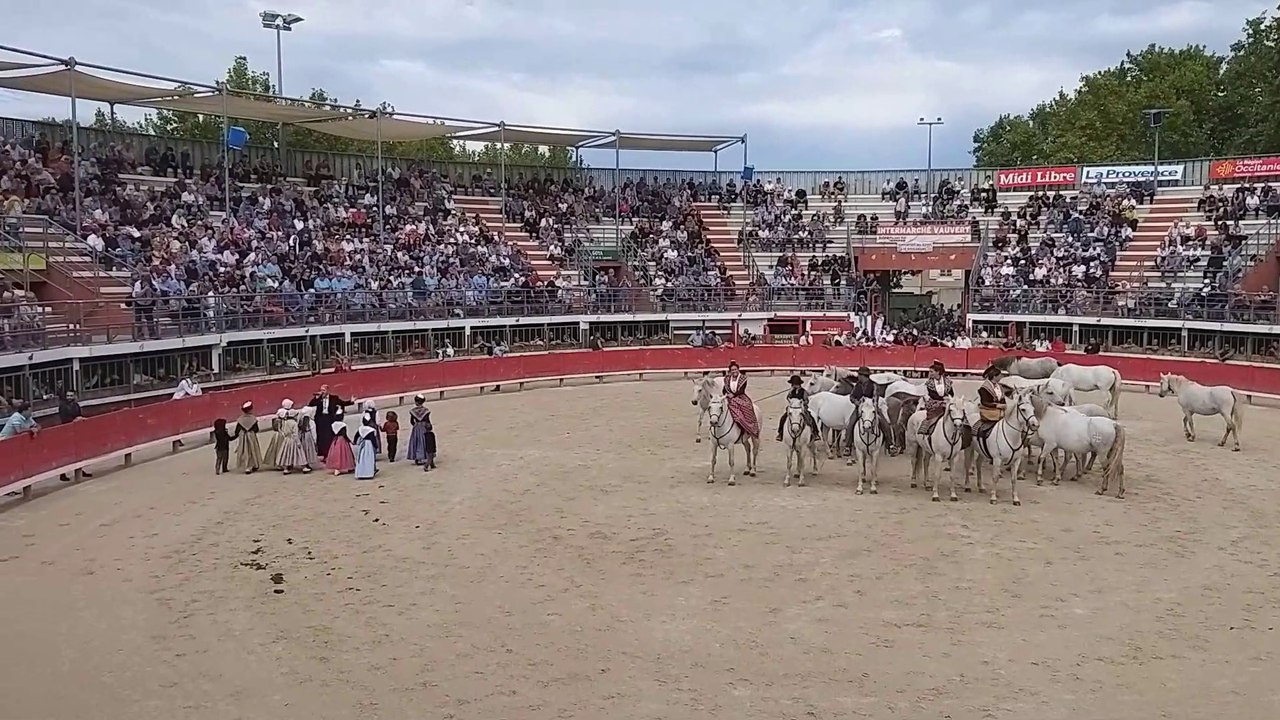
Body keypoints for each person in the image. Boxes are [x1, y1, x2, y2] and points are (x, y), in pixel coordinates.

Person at [845, 367, 895, 450]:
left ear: (863, 376)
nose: (858, 376)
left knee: (885, 424)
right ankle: (848, 446)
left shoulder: (874, 385)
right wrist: (857, 402)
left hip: (872, 408)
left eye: (859, 375)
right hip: (860, 408)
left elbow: (875, 398)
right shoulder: (857, 385)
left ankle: (890, 444)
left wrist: (871, 403)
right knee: (850, 425)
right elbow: (852, 397)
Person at [308, 385, 354, 457]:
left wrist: (351, 401)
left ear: (327, 390)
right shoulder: (319, 398)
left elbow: (342, 403)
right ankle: (322, 452)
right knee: (321, 436)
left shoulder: (334, 398)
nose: (322, 392)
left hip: (330, 418)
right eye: (321, 390)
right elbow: (311, 404)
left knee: (329, 435)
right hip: (320, 419)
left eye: (324, 390)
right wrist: (316, 398)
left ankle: (330, 451)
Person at [57, 392, 92, 481]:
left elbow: (79, 415)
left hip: (75, 431)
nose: (69, 397)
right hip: (66, 432)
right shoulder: (63, 407)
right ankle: (62, 473)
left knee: (78, 451)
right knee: (67, 453)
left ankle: (79, 470)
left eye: (71, 396)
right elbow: (64, 420)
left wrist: (80, 418)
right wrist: (75, 420)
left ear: (75, 396)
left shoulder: (76, 405)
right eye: (68, 396)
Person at [722, 361, 760, 439]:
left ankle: (748, 427)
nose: (734, 371)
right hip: (729, 398)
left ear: (738, 370)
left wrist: (733, 395)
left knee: (747, 408)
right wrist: (726, 394)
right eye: (732, 370)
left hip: (740, 397)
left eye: (735, 369)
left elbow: (742, 390)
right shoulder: (727, 379)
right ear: (730, 371)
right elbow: (724, 390)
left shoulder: (743, 378)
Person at [918, 361, 955, 438]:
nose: (930, 373)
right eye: (929, 372)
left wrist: (948, 398)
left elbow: (951, 393)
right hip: (934, 403)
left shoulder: (947, 381)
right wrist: (942, 399)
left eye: (931, 372)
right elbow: (932, 395)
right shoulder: (929, 383)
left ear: (937, 372)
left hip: (946, 402)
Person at [776, 374, 818, 441]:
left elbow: (806, 401)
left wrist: (802, 403)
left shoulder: (803, 391)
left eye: (794, 384)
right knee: (783, 418)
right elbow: (788, 398)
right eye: (792, 384)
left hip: (801, 408)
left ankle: (815, 433)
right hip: (792, 407)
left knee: (810, 418)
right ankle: (780, 433)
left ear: (798, 384)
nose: (792, 385)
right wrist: (790, 392)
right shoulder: (792, 391)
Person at [274, 402, 311, 474]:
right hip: (294, 440)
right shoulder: (294, 423)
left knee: (287, 454)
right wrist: (298, 442)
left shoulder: (286, 422)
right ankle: (304, 467)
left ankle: (286, 468)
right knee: (299, 453)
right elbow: (295, 433)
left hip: (287, 440)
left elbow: (282, 431)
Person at [975, 365, 1009, 438]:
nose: (1001, 377)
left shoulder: (999, 387)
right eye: (1000, 375)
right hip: (989, 411)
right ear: (994, 376)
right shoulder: (984, 388)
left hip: (1001, 410)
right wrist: (997, 405)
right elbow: (985, 402)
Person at [231, 402, 262, 474]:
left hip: (243, 436)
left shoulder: (240, 419)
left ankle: (247, 467)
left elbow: (237, 431)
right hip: (251, 435)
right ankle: (254, 464)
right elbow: (256, 429)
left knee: (245, 450)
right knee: (253, 450)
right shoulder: (253, 418)